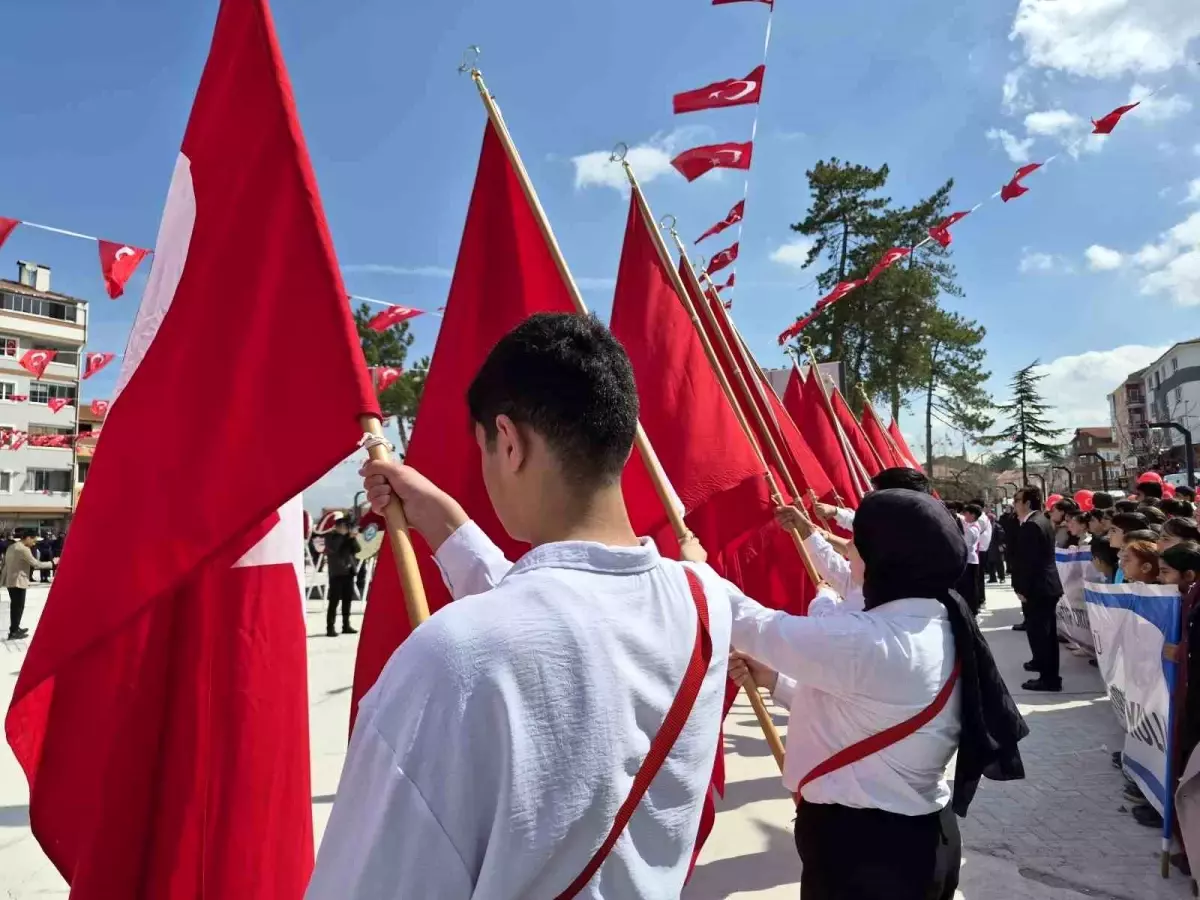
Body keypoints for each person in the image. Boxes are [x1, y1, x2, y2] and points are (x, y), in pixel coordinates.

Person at [310, 313, 735, 898]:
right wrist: (447, 523)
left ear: (508, 441)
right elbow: (568, 617)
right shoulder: (704, 600)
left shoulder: (449, 660)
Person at [732, 490, 1027, 900]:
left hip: (868, 853)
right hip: (914, 840)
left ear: (884, 559)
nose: (847, 548)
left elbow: (751, 625)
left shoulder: (871, 640)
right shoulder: (939, 619)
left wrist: (689, 569)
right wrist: (774, 681)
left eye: (857, 542)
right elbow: (860, 712)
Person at [1012, 487, 1064, 692]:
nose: (1015, 505)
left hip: (1038, 588)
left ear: (1027, 503)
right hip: (1045, 586)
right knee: (1045, 635)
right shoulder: (1041, 520)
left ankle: (1049, 679)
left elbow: (1029, 563)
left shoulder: (1032, 525)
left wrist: (1022, 588)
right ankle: (1045, 670)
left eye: (1017, 500)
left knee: (1043, 636)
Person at [2, 529, 57, 640]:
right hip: (18, 581)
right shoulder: (24, 549)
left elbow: (4, 563)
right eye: (33, 540)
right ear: (27, 538)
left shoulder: (12, 546)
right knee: (18, 607)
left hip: (10, 580)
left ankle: (15, 628)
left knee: (15, 606)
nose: (34, 543)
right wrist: (53, 563)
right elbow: (36, 564)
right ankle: (13, 632)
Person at [322, 516, 359, 638]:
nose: (344, 529)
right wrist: (347, 537)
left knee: (347, 601)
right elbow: (337, 548)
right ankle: (330, 627)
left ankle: (346, 625)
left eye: (346, 527)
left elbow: (357, 549)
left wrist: (352, 538)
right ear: (337, 527)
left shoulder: (348, 538)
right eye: (342, 527)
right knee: (334, 601)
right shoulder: (330, 537)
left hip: (348, 573)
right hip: (337, 573)